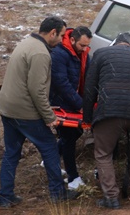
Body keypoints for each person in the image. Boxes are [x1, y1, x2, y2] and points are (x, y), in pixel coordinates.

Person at [0, 16, 79, 207]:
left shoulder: (27, 42)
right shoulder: (41, 53)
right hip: (24, 112)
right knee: (50, 147)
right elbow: (37, 89)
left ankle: (5, 196)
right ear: (52, 33)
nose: (62, 40)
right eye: (62, 35)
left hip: (7, 108)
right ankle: (57, 193)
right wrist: (49, 117)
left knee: (12, 153)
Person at [83, 32, 130, 209]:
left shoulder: (101, 54)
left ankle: (111, 198)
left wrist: (87, 118)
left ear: (116, 43)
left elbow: (89, 88)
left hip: (110, 110)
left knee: (103, 154)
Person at [49, 26, 92, 190]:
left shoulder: (84, 53)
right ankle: (73, 177)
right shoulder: (59, 54)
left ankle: (51, 157)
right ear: (72, 40)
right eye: (82, 45)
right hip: (62, 103)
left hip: (75, 100)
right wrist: (80, 104)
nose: (85, 49)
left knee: (76, 133)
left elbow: (88, 76)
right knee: (68, 139)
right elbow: (61, 84)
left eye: (87, 45)